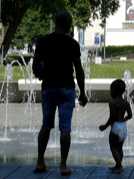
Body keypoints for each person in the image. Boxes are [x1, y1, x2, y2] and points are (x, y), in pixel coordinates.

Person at [33, 10, 88, 176]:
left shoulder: (43, 41)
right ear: (67, 24)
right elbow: (78, 70)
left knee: (46, 124)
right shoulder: (72, 44)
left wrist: (42, 75)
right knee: (65, 127)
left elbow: (35, 65)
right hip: (66, 88)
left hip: (48, 88)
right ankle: (63, 165)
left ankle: (40, 162)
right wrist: (83, 92)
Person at [100, 78, 133, 174]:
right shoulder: (126, 103)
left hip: (115, 127)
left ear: (113, 90)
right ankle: (118, 165)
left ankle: (119, 165)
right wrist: (125, 118)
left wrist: (105, 126)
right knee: (119, 148)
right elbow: (130, 115)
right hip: (123, 127)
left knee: (113, 147)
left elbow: (112, 117)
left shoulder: (112, 103)